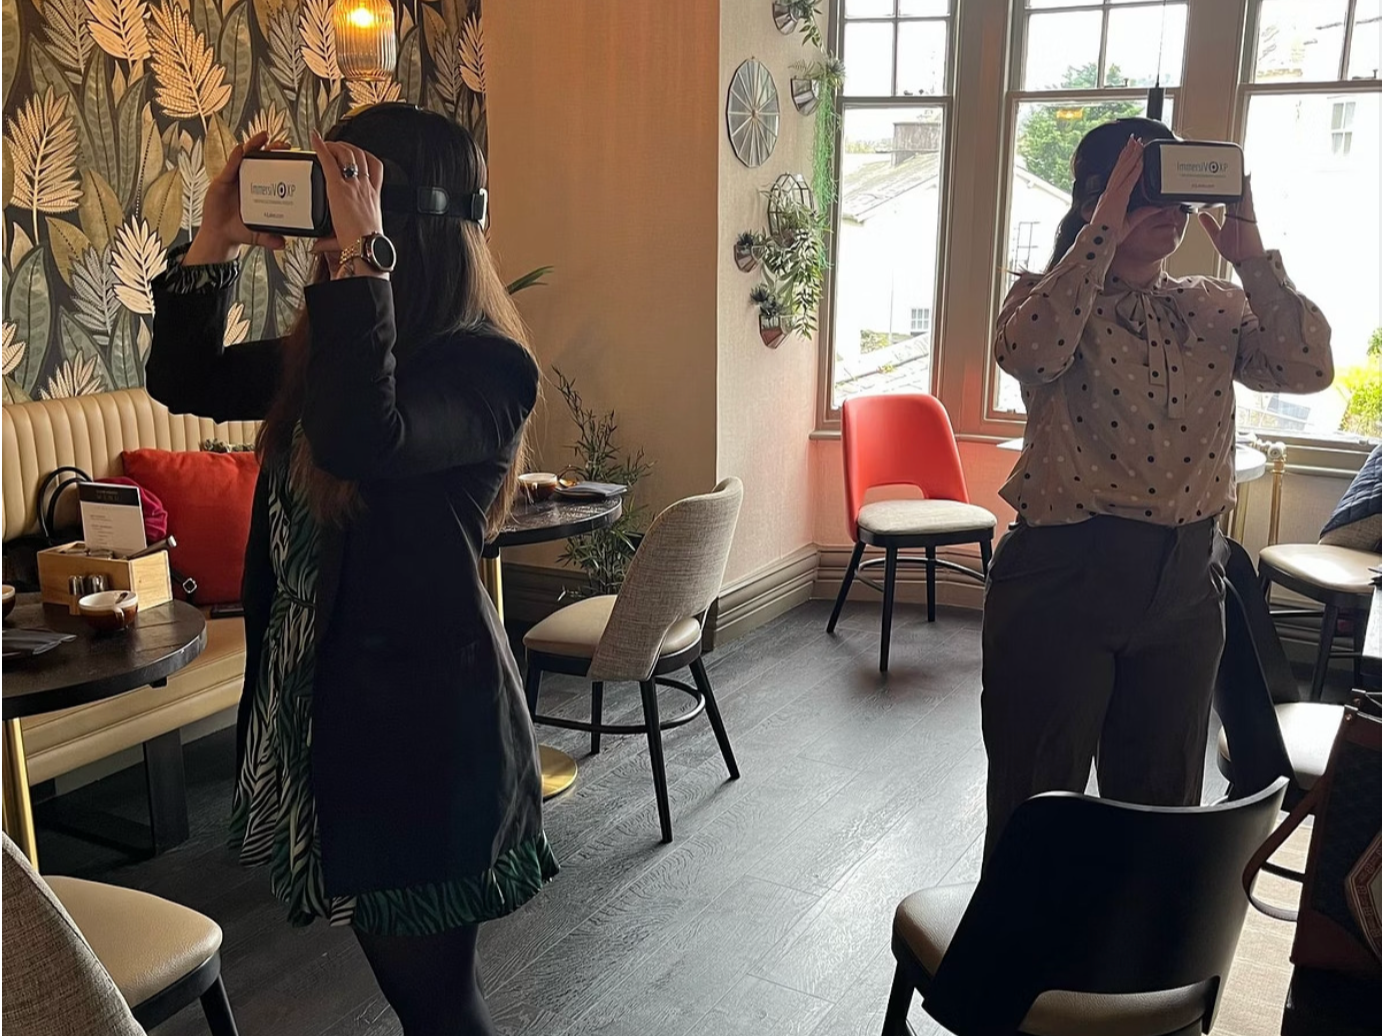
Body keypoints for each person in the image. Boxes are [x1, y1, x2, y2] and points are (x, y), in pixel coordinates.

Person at [145, 104, 556, 1035]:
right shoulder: (331, 353)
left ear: (398, 217)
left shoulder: (487, 368)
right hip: (333, 727)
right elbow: (187, 380)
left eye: (344, 191)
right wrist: (214, 238)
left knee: (440, 1008)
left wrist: (362, 262)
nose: (324, 227)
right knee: (422, 1003)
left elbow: (363, 439)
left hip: (425, 747)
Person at [983, 117, 1333, 860]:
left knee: (1163, 805)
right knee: (1034, 799)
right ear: (1092, 198)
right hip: (1061, 575)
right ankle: (1014, 968)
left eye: (1177, 194)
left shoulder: (1211, 305)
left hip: (1185, 585)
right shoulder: (1046, 298)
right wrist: (1103, 228)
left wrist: (1251, 257)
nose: (1168, 211)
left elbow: (1307, 367)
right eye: (1148, 190)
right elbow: (1031, 355)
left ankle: (1127, 970)